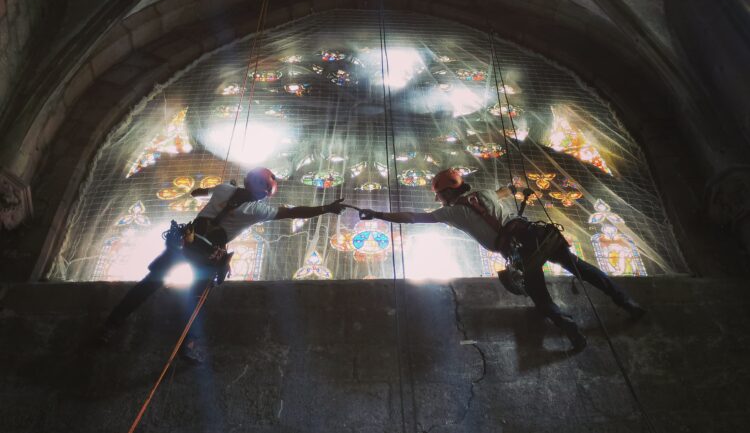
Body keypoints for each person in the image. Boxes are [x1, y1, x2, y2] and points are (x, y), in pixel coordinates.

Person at [357, 168, 645, 351]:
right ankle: (625, 301)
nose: (440, 201)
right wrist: (516, 186)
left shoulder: (452, 212)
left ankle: (566, 325)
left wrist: (379, 214)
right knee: (581, 268)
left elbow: (412, 217)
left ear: (445, 193)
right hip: (537, 235)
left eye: (440, 195)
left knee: (539, 295)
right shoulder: (483, 193)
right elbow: (503, 191)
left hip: (519, 251)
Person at [99, 167, 346, 361]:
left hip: (185, 243)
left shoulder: (224, 189)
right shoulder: (256, 210)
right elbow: (293, 212)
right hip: (206, 255)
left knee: (149, 285)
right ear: (262, 191)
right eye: (265, 191)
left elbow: (209, 190)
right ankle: (188, 345)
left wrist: (199, 192)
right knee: (195, 301)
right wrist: (326, 208)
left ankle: (110, 326)